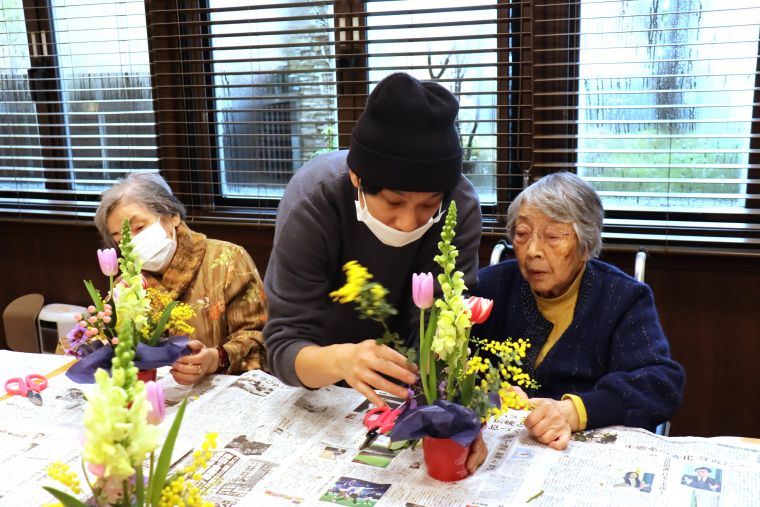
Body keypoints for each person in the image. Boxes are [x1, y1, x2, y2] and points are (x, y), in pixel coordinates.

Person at [263, 72, 484, 471]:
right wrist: (342, 360)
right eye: (393, 203)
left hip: (411, 395)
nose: (406, 223)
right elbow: (283, 347)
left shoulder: (459, 208)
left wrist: (461, 417)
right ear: (356, 178)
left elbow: (449, 335)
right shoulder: (314, 202)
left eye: (426, 206)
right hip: (325, 385)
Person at [471, 171, 685, 450]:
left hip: (578, 449)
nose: (532, 250)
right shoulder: (490, 287)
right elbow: (445, 364)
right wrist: (488, 393)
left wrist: (572, 412)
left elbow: (661, 383)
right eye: (522, 234)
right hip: (500, 446)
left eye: (552, 236)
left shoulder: (622, 298)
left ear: (585, 244)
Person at [93, 172, 267, 384]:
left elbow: (260, 340)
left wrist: (215, 359)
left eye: (139, 228)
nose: (133, 244)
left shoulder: (227, 260)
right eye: (120, 239)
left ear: (173, 215)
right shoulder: (127, 285)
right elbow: (101, 337)